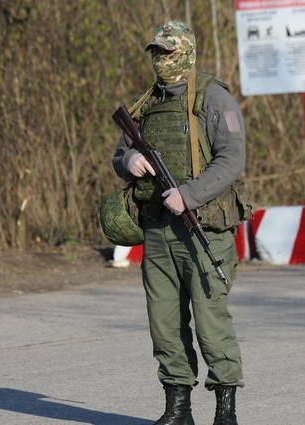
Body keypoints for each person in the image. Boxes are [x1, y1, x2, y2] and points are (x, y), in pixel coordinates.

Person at [112, 21, 249, 425]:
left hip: (204, 227)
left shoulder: (214, 98)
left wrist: (187, 195)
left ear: (187, 53)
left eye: (168, 52)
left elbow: (231, 160)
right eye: (156, 52)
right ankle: (178, 409)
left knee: (210, 322)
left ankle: (225, 411)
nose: (161, 60)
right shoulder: (147, 103)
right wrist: (128, 163)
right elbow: (120, 153)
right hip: (157, 231)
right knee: (164, 323)